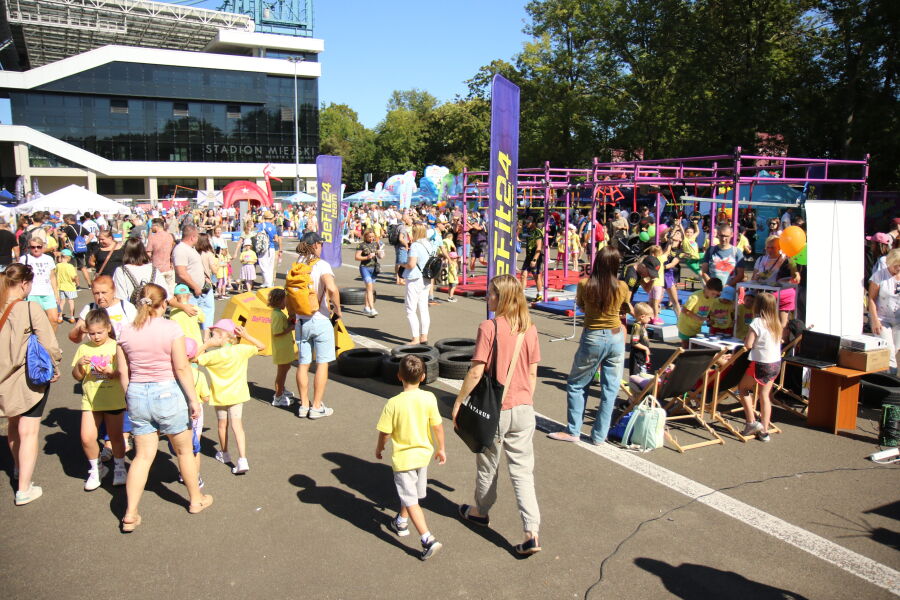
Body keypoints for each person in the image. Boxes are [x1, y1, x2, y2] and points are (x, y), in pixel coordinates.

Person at [451, 274, 542, 555]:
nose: (487, 297)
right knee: (523, 472)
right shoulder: (530, 328)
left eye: (491, 293)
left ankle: (480, 510)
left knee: (488, 464)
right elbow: (532, 372)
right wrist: (524, 399)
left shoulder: (489, 327)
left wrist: (459, 402)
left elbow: (477, 370)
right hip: (524, 408)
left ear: (502, 297)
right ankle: (531, 531)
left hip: (498, 409)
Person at [115, 283, 213, 531]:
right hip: (167, 392)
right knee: (183, 451)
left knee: (142, 456)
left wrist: (130, 396)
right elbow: (181, 367)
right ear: (162, 304)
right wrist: (193, 399)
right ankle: (195, 499)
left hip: (137, 392)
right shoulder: (171, 328)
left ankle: (130, 513)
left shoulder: (125, 331)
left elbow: (123, 371)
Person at [551, 247, 631, 445]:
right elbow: (624, 310)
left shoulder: (585, 284)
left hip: (593, 336)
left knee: (578, 384)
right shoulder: (622, 286)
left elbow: (581, 306)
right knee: (610, 389)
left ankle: (573, 430)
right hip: (615, 336)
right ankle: (599, 435)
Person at [0, 263, 62, 505]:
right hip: (27, 378)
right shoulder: (29, 308)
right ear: (25, 284)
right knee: (29, 431)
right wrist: (54, 365)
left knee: (13, 426)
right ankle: (24, 488)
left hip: (3, 380)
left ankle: (18, 468)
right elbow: (49, 343)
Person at [375, 355, 446, 560]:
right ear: (423, 377)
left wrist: (380, 448)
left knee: (411, 499)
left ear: (399, 376)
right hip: (423, 455)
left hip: (404, 459)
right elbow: (438, 426)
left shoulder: (393, 403)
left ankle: (427, 538)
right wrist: (441, 448)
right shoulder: (429, 398)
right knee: (411, 494)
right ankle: (401, 521)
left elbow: (385, 433)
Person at [196, 319, 264, 475]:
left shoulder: (213, 355)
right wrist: (247, 335)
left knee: (222, 424)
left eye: (214, 334)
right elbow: (261, 346)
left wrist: (206, 345)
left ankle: (224, 453)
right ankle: (242, 459)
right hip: (237, 393)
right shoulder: (240, 350)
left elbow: (193, 359)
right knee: (237, 425)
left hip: (220, 395)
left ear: (222, 336)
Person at [71, 309, 128, 490]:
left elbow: (124, 373)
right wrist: (80, 365)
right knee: (87, 438)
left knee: (116, 437)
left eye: (99, 332)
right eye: (91, 333)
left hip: (113, 398)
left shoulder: (116, 346)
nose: (95, 337)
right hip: (91, 400)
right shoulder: (84, 348)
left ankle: (120, 466)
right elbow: (78, 376)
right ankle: (96, 469)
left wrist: (112, 372)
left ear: (108, 328)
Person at [290, 232, 341, 419]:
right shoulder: (321, 265)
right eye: (320, 244)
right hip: (319, 319)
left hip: (301, 320)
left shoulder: (297, 264)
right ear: (316, 245)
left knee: (303, 364)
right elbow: (332, 288)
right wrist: (338, 309)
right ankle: (317, 406)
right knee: (322, 363)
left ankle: (304, 405)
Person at [737, 292, 783, 442]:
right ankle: (764, 429)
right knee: (764, 395)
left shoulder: (757, 322)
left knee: (743, 388)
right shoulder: (776, 323)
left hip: (761, 362)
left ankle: (751, 422)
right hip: (775, 362)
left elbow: (748, 344)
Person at [749, 236, 800, 336]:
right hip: (764, 295)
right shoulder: (760, 259)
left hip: (782, 294)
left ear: (780, 247)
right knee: (763, 322)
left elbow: (796, 277)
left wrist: (793, 268)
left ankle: (781, 344)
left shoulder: (786, 260)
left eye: (773, 247)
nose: (770, 250)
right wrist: (757, 278)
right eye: (768, 247)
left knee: (782, 323)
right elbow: (753, 278)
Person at [68, 275, 138, 342]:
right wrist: (80, 330)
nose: (100, 297)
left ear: (113, 291)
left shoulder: (126, 307)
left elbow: (139, 332)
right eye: (96, 293)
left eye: (104, 292)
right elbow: (74, 339)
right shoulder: (90, 308)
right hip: (99, 353)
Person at [174, 225, 215, 328]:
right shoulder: (180, 250)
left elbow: (195, 267)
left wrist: (204, 278)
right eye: (197, 236)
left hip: (202, 288)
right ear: (192, 237)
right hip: (190, 291)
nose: (198, 239)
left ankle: (206, 338)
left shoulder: (190, 249)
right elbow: (181, 273)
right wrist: (196, 286)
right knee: (191, 320)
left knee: (206, 315)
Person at [868, 248, 900, 374]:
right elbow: (871, 298)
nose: (898, 269)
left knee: (895, 349)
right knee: (890, 351)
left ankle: (883, 374)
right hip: (882, 319)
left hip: (898, 320)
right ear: (889, 263)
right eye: (896, 266)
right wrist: (875, 320)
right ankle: (893, 381)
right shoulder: (879, 276)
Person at [18, 235, 60, 329]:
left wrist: (56, 293)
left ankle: (50, 343)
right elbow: (20, 277)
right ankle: (37, 342)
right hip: (32, 294)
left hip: (47, 293)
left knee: (54, 319)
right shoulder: (24, 259)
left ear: (43, 247)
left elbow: (52, 277)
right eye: (33, 247)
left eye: (38, 247)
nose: (36, 249)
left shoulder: (48, 259)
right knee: (34, 323)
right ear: (29, 248)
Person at [402, 224, 434, 344]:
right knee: (423, 308)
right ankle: (424, 336)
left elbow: (411, 264)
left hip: (415, 278)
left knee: (410, 309)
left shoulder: (415, 245)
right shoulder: (428, 244)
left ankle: (415, 338)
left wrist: (402, 264)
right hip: (426, 278)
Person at [112, 238, 167, 304]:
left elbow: (120, 296)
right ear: (143, 251)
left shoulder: (121, 271)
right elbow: (165, 294)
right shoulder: (153, 269)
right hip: (153, 311)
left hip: (131, 312)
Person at [267, 288, 297, 407]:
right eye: (285, 301)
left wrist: (288, 322)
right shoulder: (277, 315)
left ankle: (282, 390)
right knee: (282, 372)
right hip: (282, 348)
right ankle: (278, 396)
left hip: (285, 347)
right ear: (280, 301)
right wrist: (291, 328)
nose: (287, 304)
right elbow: (277, 332)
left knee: (286, 368)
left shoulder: (279, 313)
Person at [676, 278, 723, 347]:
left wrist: (711, 319)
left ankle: (690, 356)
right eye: (713, 293)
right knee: (686, 345)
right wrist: (698, 318)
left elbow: (707, 311)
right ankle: (682, 357)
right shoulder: (695, 297)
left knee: (695, 345)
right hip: (685, 325)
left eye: (716, 294)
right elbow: (684, 310)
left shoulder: (711, 298)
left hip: (696, 326)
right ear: (706, 288)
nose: (714, 296)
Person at [701, 223, 745, 287]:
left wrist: (727, 286)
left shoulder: (737, 252)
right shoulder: (710, 250)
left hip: (729, 290)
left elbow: (740, 275)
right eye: (721, 236)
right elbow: (704, 272)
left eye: (726, 236)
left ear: (731, 235)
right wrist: (712, 285)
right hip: (712, 289)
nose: (723, 239)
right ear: (717, 235)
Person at [355, 229, 382, 316]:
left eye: (373, 237)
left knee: (369, 289)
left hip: (374, 268)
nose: (371, 238)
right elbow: (357, 257)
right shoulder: (361, 245)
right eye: (369, 237)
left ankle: (366, 307)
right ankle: (372, 308)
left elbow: (381, 256)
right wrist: (367, 257)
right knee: (369, 287)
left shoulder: (375, 244)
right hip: (365, 268)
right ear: (365, 236)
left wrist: (380, 254)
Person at [145, 218, 176, 295]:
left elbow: (148, 253)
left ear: (156, 226)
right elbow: (172, 251)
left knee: (158, 294)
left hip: (157, 269)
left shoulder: (152, 238)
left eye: (152, 226)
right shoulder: (170, 236)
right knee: (170, 292)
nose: (151, 228)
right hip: (169, 268)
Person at [519, 217, 545, 302]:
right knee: (523, 275)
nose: (527, 225)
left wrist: (534, 260)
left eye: (528, 223)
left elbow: (539, 247)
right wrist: (518, 229)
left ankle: (540, 294)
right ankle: (521, 294)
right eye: (526, 223)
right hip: (528, 256)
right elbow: (519, 237)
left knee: (536, 276)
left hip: (536, 256)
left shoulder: (537, 232)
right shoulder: (528, 231)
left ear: (533, 223)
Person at [60, 214, 91, 287]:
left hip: (72, 248)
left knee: (74, 267)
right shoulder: (81, 227)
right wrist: (85, 243)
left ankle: (77, 285)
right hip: (81, 248)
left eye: (64, 220)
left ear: (68, 219)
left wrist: (64, 244)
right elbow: (91, 235)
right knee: (83, 267)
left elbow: (62, 236)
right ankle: (89, 284)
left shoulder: (68, 227)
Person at [256, 211, 281, 288]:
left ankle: (267, 282)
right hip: (272, 247)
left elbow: (258, 235)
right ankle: (270, 283)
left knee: (263, 265)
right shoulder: (273, 226)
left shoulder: (261, 226)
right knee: (270, 266)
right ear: (270, 218)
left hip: (264, 248)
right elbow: (276, 239)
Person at [629, 302, 653, 378]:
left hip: (642, 356)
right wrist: (646, 348)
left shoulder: (642, 326)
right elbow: (634, 342)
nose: (650, 319)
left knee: (643, 373)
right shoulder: (637, 327)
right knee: (638, 376)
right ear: (642, 317)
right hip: (637, 356)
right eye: (649, 317)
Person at [56, 249, 78, 320]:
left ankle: (60, 317)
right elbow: (74, 276)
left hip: (61, 286)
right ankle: (72, 317)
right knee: (71, 301)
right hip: (70, 286)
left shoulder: (58, 266)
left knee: (62, 302)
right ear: (68, 257)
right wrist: (77, 283)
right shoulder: (70, 266)